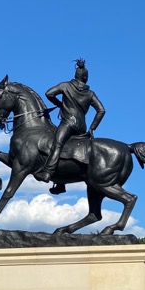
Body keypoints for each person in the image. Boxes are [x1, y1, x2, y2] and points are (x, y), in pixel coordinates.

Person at [38, 58, 106, 194]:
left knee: (57, 144)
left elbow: (48, 93)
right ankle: (60, 184)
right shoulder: (90, 93)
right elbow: (101, 110)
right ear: (86, 78)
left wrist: (59, 104)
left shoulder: (65, 85)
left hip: (68, 123)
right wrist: (92, 128)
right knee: (67, 149)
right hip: (81, 127)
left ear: (76, 75)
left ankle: (47, 172)